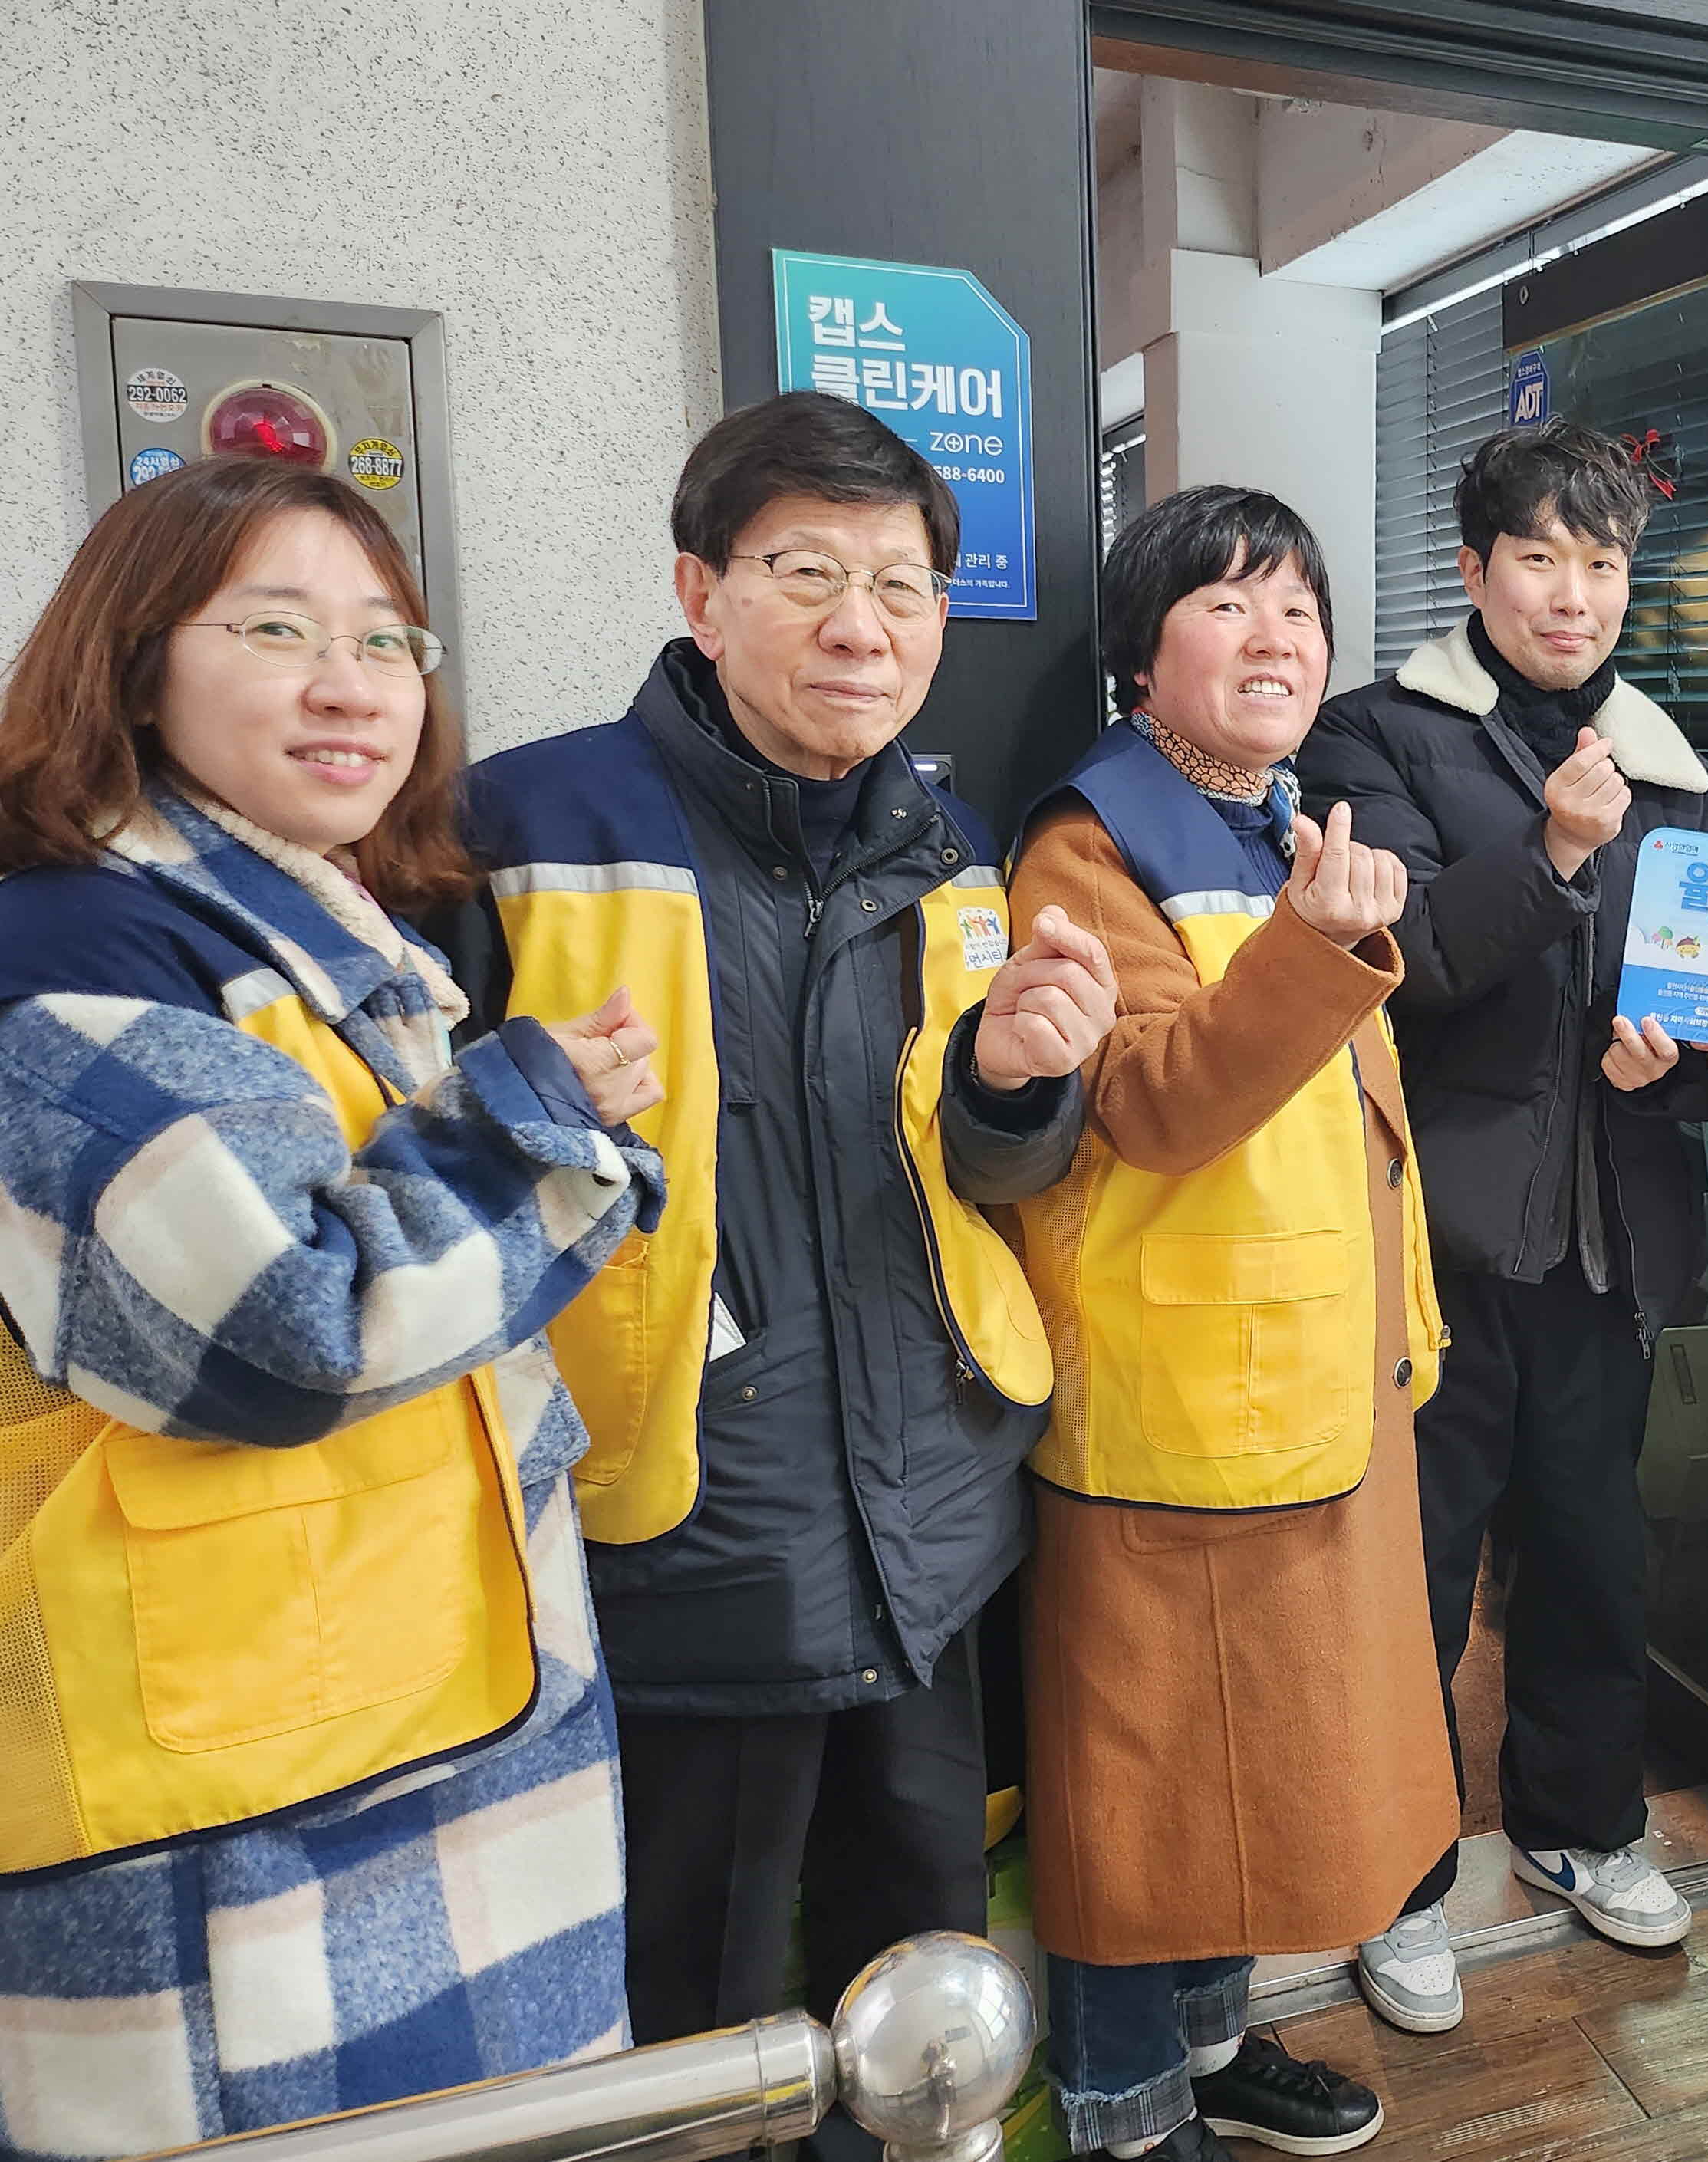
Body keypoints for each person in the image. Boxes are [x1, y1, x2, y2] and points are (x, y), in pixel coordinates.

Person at [429, 393, 1114, 2112]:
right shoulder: (525, 829)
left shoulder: (953, 851)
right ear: (698, 588)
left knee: (925, 1978)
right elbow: (421, 1185)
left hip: (935, 1527)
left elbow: (974, 1168)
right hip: (679, 1531)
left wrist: (1016, 1082)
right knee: (695, 2013)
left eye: (900, 582)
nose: (857, 623)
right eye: (805, 569)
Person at [0, 459, 660, 2157]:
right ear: (133, 663)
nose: (349, 681)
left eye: (386, 637)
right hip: (239, 1803)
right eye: (273, 628)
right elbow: (282, 1331)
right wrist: (535, 1125)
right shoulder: (65, 945)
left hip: (394, 1712)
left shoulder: (292, 917)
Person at [1002, 485, 1457, 2162]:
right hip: (1172, 1387)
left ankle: (1207, 2049)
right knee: (1142, 1785)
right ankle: (1126, 2107)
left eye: (1296, 609)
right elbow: (1154, 1106)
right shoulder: (1086, 839)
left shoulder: (1278, 819)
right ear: (1140, 655)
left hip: (1306, 1375)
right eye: (1225, 604)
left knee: (1244, 1765)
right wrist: (1318, 943)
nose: (1274, 638)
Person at [1298, 420, 1708, 2030]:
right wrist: (1554, 846)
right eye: (1540, 559)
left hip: (1611, 1235)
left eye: (1604, 564)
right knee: (1411, 1574)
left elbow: (1701, 1016)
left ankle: (1577, 1827)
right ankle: (1398, 1880)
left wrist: (1688, 1072)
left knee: (1590, 1552)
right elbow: (1398, 960)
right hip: (1439, 1236)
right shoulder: (1377, 736)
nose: (1574, 595)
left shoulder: (1674, 765)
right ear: (1476, 568)